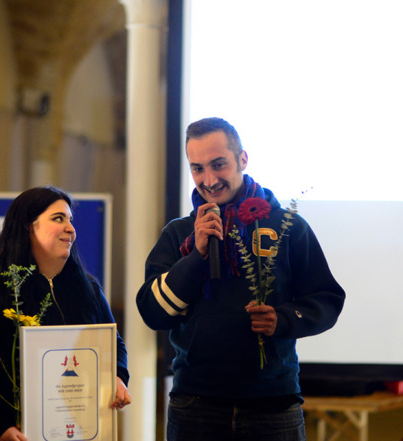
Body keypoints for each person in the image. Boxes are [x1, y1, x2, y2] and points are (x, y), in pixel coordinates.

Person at [136, 117, 345, 441]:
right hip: (195, 404)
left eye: (218, 164)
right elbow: (153, 312)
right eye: (197, 168)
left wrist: (283, 319)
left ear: (242, 160)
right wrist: (197, 257)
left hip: (273, 404)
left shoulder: (287, 225)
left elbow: (326, 299)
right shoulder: (180, 233)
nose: (209, 179)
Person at [0, 185, 130, 441]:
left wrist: (118, 376)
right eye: (58, 218)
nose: (71, 229)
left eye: (70, 220)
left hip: (82, 430)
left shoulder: (89, 288)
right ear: (28, 227)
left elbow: (113, 343)